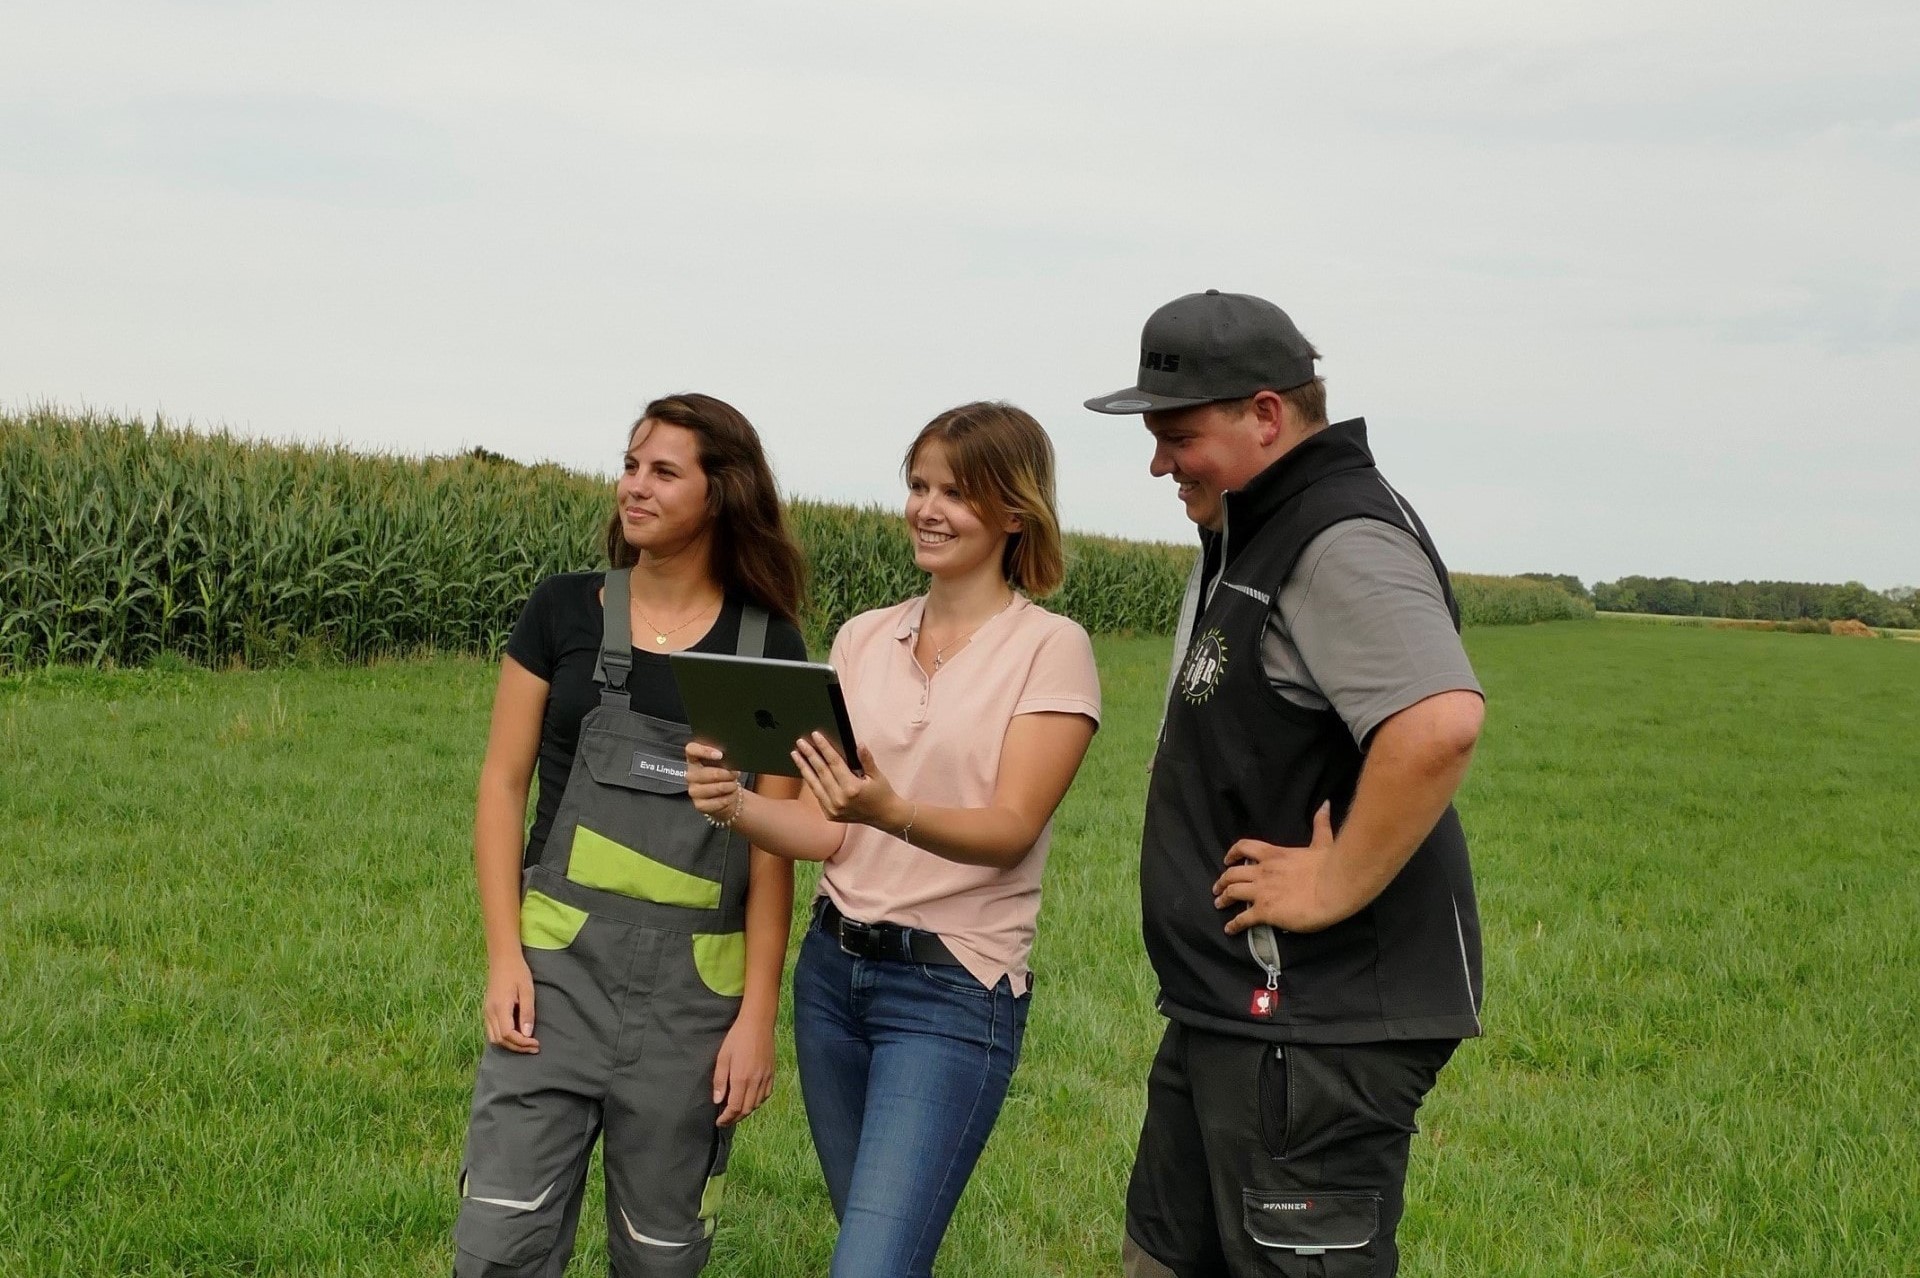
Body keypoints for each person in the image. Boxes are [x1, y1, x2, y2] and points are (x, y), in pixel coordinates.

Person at [1085, 291, 1487, 1277]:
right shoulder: (1260, 528)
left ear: (1266, 415)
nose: (1158, 462)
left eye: (1176, 434)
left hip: (1313, 1031)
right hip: (1235, 1013)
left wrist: (1334, 882)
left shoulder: (1336, 535)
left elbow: (1439, 722)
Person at [685, 401, 1101, 1278]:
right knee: (884, 1256)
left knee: (870, 1264)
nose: (928, 508)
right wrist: (734, 806)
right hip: (834, 980)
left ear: (1015, 511)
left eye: (956, 491)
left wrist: (889, 811)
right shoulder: (862, 638)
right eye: (918, 485)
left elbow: (1010, 829)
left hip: (953, 992)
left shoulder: (1050, 649)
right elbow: (827, 828)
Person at [452, 393, 811, 1277]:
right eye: (629, 465)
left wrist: (758, 1016)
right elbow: (501, 787)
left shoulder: (769, 647)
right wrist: (505, 956)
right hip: (554, 980)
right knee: (500, 1244)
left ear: (721, 494)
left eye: (662, 471)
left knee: (661, 1257)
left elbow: (775, 851)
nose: (633, 488)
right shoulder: (564, 611)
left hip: (693, 1008)